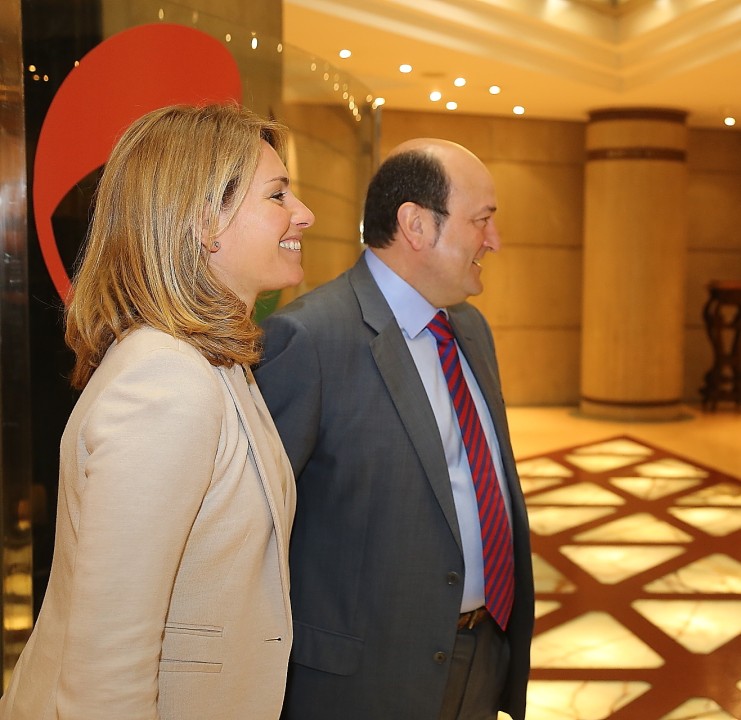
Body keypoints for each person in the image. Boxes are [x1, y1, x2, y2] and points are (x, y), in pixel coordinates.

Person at [0, 103, 314, 720]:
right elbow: (106, 670)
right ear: (202, 220)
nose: (302, 213)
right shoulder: (167, 378)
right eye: (278, 194)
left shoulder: (212, 362)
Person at [254, 138, 534, 720]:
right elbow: (256, 537)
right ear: (416, 225)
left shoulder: (471, 329)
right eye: (481, 220)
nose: (494, 240)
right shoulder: (309, 340)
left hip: (482, 657)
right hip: (366, 685)